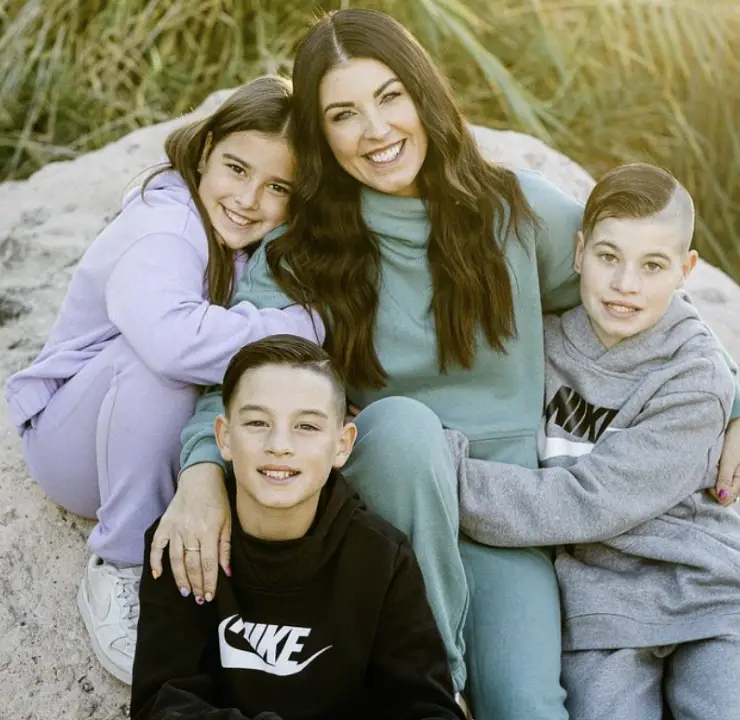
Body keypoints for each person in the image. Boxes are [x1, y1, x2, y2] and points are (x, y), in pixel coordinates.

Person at [150, 10, 740, 720]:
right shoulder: (302, 253)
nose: (375, 130)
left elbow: (638, 285)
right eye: (344, 113)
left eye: (390, 96)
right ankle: (434, 691)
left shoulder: (512, 211)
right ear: (320, 132)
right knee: (402, 428)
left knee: (527, 706)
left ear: (424, 94)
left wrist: (731, 398)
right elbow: (239, 380)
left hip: (505, 513)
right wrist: (200, 475)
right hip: (385, 507)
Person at [3, 77, 322, 685]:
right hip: (76, 446)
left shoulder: (250, 235)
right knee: (157, 361)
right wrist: (298, 325)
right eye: (236, 168)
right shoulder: (164, 224)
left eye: (277, 187)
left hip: (160, 443)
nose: (249, 199)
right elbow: (173, 343)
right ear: (205, 152)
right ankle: (119, 560)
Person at [451, 163, 740, 719]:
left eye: (653, 266)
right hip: (596, 609)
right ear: (579, 252)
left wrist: (441, 473)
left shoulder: (697, 376)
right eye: (609, 257)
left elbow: (589, 501)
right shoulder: (539, 345)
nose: (625, 284)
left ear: (686, 270)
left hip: (707, 594)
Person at [130, 335, 464, 720]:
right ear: (223, 436)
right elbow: (160, 703)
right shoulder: (187, 543)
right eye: (257, 422)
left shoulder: (381, 557)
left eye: (306, 426)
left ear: (342, 444)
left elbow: (425, 706)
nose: (280, 445)